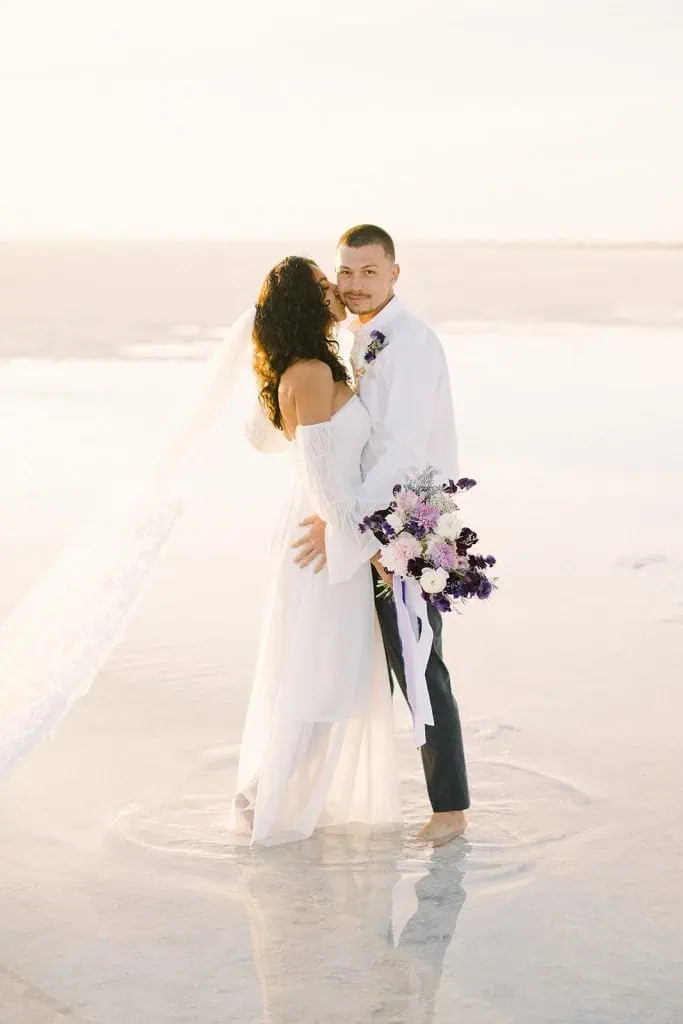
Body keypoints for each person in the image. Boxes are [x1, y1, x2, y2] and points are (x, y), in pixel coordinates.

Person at [293, 225, 470, 846]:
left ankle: (450, 809)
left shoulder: (413, 346)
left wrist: (351, 524)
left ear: (395, 274)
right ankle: (293, 786)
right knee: (338, 656)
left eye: (369, 272)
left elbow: (401, 452)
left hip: (403, 528)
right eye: (346, 272)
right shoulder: (354, 336)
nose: (354, 284)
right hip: (361, 525)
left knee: (417, 663)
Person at [230, 255, 401, 845]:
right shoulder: (306, 371)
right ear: (307, 302)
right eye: (326, 285)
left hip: (330, 530)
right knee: (323, 675)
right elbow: (325, 472)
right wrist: (363, 544)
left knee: (329, 674)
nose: (338, 290)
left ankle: (266, 790)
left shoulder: (316, 365)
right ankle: (263, 796)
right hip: (323, 538)